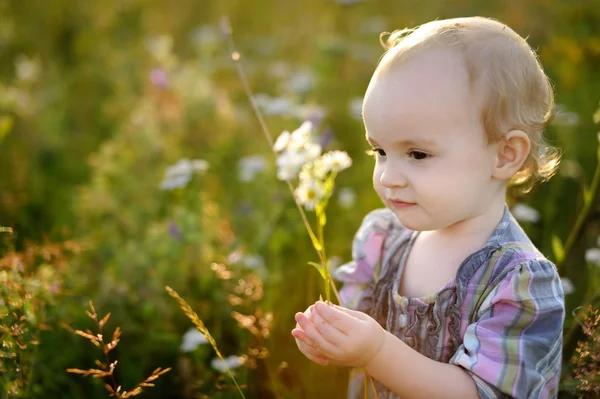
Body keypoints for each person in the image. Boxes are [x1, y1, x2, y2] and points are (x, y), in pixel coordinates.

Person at [291, 16, 565, 399]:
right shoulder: (382, 239)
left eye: (417, 154)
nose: (388, 176)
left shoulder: (518, 282)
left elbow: (482, 392)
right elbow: (355, 323)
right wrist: (330, 337)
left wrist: (375, 351)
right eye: (380, 151)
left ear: (504, 155)